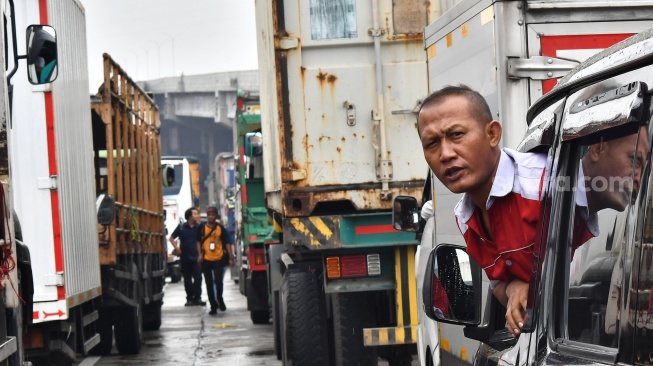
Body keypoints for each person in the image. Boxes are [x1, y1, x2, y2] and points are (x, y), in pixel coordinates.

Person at [199, 206, 235, 314]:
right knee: (209, 283)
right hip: (206, 259)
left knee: (218, 281)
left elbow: (227, 243)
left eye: (213, 215)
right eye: (209, 215)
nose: (211, 217)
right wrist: (199, 254)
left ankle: (220, 298)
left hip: (218, 259)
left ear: (216, 216)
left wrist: (230, 257)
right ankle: (213, 306)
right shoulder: (202, 228)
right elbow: (197, 241)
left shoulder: (221, 228)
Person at [169, 207, 205, 306]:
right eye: (195, 214)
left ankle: (197, 298)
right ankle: (189, 298)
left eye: (197, 214)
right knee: (187, 279)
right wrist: (177, 248)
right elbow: (171, 238)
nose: (197, 216)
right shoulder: (181, 227)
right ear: (189, 216)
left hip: (197, 258)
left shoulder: (199, 228)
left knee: (198, 278)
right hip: (185, 258)